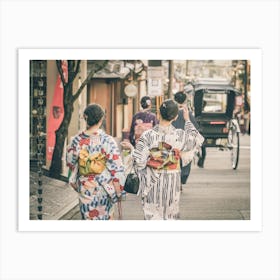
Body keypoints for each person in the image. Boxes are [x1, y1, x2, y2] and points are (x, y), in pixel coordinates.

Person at [121, 99, 204, 220]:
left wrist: (132, 149)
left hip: (152, 181)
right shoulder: (180, 135)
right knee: (170, 216)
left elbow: (138, 161)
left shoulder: (148, 135)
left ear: (159, 114)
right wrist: (187, 120)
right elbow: (197, 140)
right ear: (175, 117)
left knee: (152, 216)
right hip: (172, 181)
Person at [66, 104, 126, 220]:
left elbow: (70, 163)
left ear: (85, 117)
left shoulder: (76, 140)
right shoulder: (108, 140)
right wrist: (119, 191)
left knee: (89, 218)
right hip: (104, 186)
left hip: (86, 187)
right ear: (101, 119)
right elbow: (116, 167)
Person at [172, 91, 199, 190]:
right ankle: (180, 181)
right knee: (185, 162)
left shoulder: (171, 111)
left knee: (174, 160)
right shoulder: (187, 112)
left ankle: (175, 180)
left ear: (174, 99)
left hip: (173, 140)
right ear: (184, 100)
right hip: (185, 141)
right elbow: (194, 126)